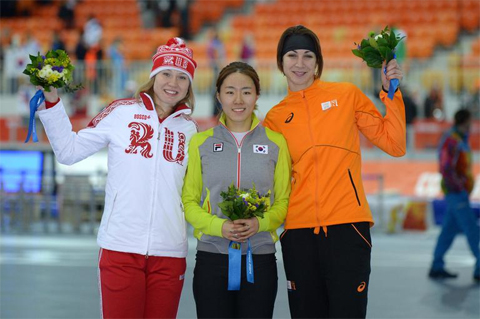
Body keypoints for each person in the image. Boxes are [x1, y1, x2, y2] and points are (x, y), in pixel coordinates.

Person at [36, 37, 198, 318]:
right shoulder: (121, 112)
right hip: (120, 249)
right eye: (167, 73)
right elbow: (68, 152)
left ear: (189, 85)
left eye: (182, 77)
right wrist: (52, 102)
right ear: (153, 76)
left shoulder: (191, 130)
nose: (173, 82)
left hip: (170, 253)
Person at [263, 25, 406, 319]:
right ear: (281, 63)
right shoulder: (274, 119)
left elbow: (394, 144)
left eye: (308, 56)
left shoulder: (346, 96)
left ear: (318, 63)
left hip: (348, 228)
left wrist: (390, 92)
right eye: (292, 55)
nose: (299, 63)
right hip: (298, 234)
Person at [182, 61, 291, 318]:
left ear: (257, 95)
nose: (238, 99)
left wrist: (259, 224)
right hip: (211, 257)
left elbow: (283, 202)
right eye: (230, 92)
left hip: (260, 258)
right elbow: (189, 202)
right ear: (219, 96)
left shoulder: (276, 143)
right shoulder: (201, 143)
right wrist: (220, 227)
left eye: (246, 91)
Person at [428, 109, 479, 282]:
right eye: (470, 121)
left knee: (448, 231)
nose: (472, 124)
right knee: (472, 230)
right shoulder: (452, 140)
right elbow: (446, 167)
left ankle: (437, 265)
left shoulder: (461, 139)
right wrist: (459, 187)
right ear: (464, 121)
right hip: (456, 193)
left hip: (458, 192)